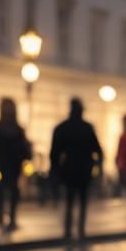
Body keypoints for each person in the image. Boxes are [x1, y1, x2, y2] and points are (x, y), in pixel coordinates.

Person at [50, 98, 102, 241]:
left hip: (69, 169)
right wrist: (96, 167)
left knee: (69, 200)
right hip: (84, 170)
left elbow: (54, 153)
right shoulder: (87, 128)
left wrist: (56, 170)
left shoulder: (63, 128)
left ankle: (68, 230)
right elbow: (98, 150)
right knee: (82, 201)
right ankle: (81, 229)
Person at [0, 97, 31, 231]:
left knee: (9, 191)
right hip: (5, 164)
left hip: (10, 164)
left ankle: (8, 219)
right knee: (4, 191)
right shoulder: (13, 129)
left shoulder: (4, 129)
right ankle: (3, 219)